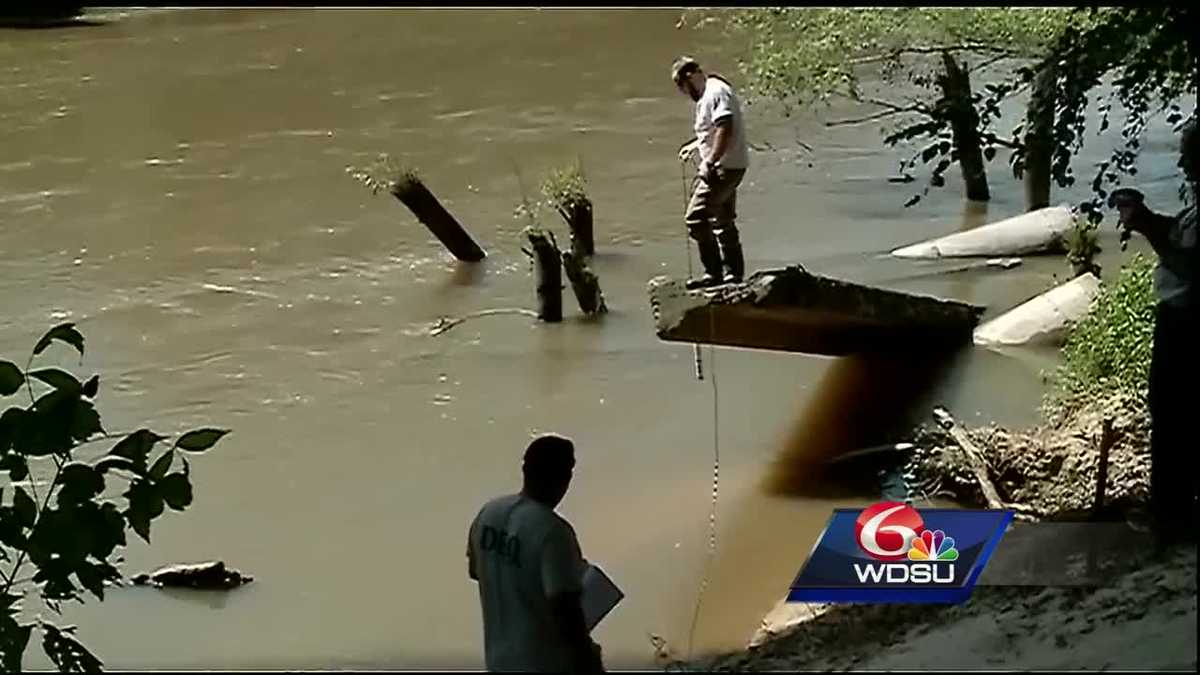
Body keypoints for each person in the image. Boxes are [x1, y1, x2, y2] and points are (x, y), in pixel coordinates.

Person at [1113, 118, 1199, 547]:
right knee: (1175, 413)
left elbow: (1189, 264)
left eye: (1189, 155)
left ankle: (1171, 515)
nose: (1182, 164)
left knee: (1171, 413)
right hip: (1181, 320)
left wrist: (1146, 225)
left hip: (1188, 323)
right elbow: (1182, 238)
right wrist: (1146, 218)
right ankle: (1174, 509)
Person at [467, 434, 604, 673]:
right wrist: (590, 662)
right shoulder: (553, 531)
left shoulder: (488, 513)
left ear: (525, 470)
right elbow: (566, 613)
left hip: (498, 661)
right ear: (565, 477)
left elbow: (476, 571)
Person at [672, 56, 751, 289]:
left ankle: (714, 274)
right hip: (730, 165)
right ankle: (733, 275)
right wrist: (696, 145)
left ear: (690, 77)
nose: (685, 93)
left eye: (682, 87)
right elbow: (712, 130)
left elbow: (725, 128)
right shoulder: (710, 92)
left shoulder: (716, 92)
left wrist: (709, 162)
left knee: (695, 218)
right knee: (722, 220)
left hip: (724, 167)